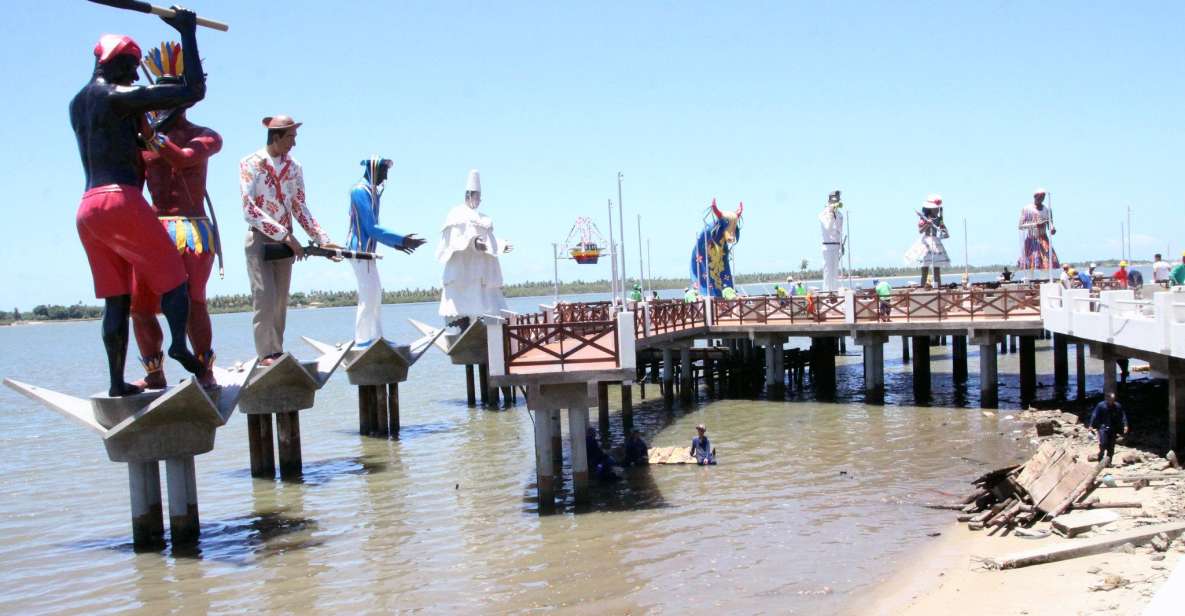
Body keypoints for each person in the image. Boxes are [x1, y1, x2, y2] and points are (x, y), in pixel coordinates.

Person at [71, 14, 209, 397]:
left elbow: (127, 138)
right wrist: (186, 32)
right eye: (131, 68)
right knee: (176, 281)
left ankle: (117, 383)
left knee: (117, 300)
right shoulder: (118, 96)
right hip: (120, 200)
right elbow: (193, 89)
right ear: (113, 63)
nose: (135, 77)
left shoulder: (77, 105)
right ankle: (179, 346)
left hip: (87, 207)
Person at [129, 41, 221, 390]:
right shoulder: (142, 143)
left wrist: (150, 135)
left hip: (192, 230)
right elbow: (132, 188)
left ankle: (205, 371)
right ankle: (154, 374)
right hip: (153, 230)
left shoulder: (205, 136)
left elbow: (183, 158)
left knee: (192, 301)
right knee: (141, 306)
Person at [240, 115, 342, 365]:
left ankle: (276, 351)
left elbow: (299, 207)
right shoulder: (250, 163)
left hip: (287, 241)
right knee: (263, 297)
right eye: (290, 138)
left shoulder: (294, 167)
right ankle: (266, 354)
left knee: (280, 301)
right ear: (276, 137)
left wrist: (323, 239)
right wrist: (285, 235)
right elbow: (249, 209)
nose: (293, 144)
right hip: (261, 238)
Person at [346, 157, 426, 347]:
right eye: (383, 172)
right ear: (373, 170)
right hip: (359, 250)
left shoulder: (371, 192)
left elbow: (373, 228)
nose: (385, 177)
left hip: (368, 251)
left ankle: (376, 337)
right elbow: (371, 227)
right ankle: (363, 339)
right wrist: (400, 240)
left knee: (375, 294)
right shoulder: (359, 191)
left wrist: (398, 244)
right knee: (369, 294)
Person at [437, 170, 511, 331]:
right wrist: (473, 242)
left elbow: (488, 241)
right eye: (476, 196)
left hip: (479, 268)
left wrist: (501, 245)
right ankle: (464, 328)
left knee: (481, 300)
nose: (478, 201)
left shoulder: (483, 218)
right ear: (469, 195)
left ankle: (482, 328)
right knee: (462, 302)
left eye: (480, 197)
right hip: (463, 267)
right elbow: (455, 238)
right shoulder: (457, 214)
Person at [904, 194, 950, 287]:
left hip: (936, 243)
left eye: (937, 208)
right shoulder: (924, 218)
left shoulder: (939, 219)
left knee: (937, 268)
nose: (937, 210)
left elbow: (945, 233)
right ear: (930, 209)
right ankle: (922, 287)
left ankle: (938, 287)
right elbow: (920, 231)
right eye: (935, 209)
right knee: (925, 268)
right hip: (926, 243)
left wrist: (944, 232)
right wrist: (927, 224)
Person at [1017, 188, 1058, 276]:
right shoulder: (1027, 209)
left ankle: (1045, 280)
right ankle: (1029, 281)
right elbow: (1020, 226)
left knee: (1046, 262)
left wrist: (1052, 229)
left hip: (1043, 239)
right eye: (1040, 197)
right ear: (1035, 197)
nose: (1041, 199)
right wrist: (1035, 224)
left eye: (1043, 197)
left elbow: (1050, 223)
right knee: (1030, 264)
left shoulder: (1047, 209)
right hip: (1032, 239)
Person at [1089, 392, 1129, 465]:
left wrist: (1125, 425)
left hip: (1113, 428)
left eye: (1113, 399)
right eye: (1111, 399)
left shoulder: (1117, 406)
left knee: (1111, 446)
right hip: (1103, 427)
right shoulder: (1101, 405)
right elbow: (1094, 415)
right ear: (1107, 399)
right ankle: (1100, 457)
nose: (1112, 401)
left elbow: (1123, 416)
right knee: (1103, 443)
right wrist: (1091, 425)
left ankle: (1109, 462)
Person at [819, 190, 845, 292]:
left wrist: (841, 245)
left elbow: (839, 231)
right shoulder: (822, 214)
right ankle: (827, 294)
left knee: (835, 273)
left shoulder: (839, 214)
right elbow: (828, 228)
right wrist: (830, 214)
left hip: (836, 245)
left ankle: (834, 292)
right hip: (827, 246)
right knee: (828, 272)